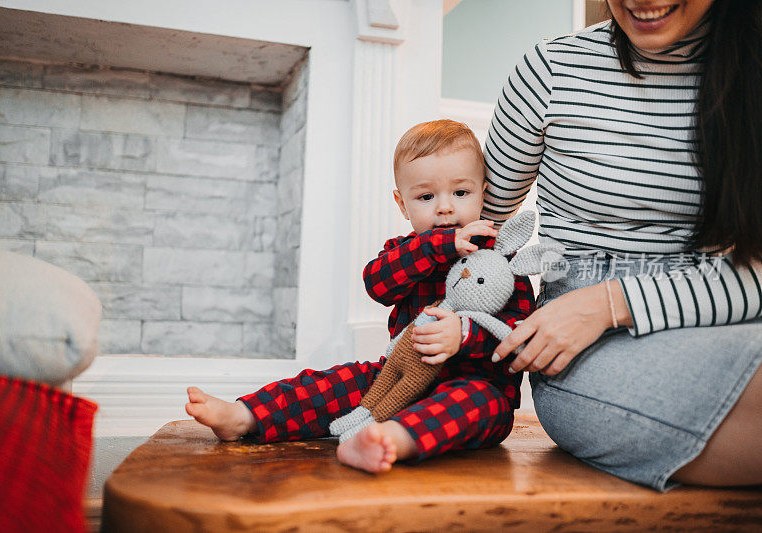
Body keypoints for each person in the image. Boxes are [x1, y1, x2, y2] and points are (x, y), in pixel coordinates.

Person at [484, 0, 762, 491]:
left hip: (720, 306)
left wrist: (611, 303)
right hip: (583, 350)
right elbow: (474, 233)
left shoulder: (751, 74)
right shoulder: (551, 70)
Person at [185, 120, 535, 473]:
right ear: (402, 204)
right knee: (335, 384)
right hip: (396, 381)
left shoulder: (503, 260)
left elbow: (519, 331)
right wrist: (439, 246)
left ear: (483, 193)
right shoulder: (407, 252)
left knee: (474, 403)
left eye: (460, 193)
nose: (445, 207)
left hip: (478, 388)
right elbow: (378, 284)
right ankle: (244, 416)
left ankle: (388, 439)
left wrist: (463, 334)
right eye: (426, 196)